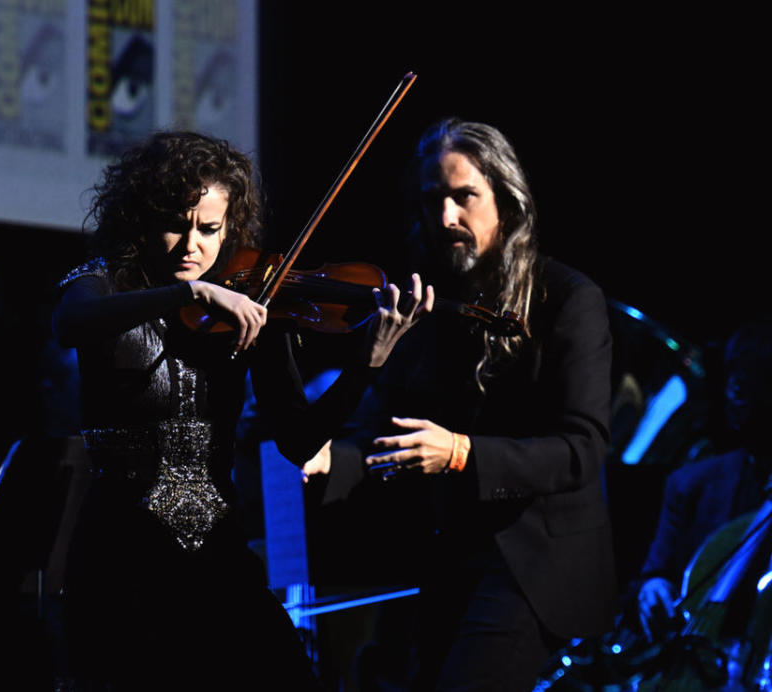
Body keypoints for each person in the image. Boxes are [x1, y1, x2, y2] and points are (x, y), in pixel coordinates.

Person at [53, 131, 430, 690]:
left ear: (230, 227)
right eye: (175, 224)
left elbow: (299, 441)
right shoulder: (102, 285)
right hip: (121, 549)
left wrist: (367, 364)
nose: (191, 246)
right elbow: (70, 325)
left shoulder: (255, 303)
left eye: (209, 229)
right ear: (139, 217)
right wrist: (190, 294)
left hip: (215, 553)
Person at [320, 118, 616, 690]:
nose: (448, 218)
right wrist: (333, 458)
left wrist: (459, 453)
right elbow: (384, 431)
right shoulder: (426, 304)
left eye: (464, 197)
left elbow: (581, 450)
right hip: (447, 560)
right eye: (434, 201)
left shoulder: (568, 300)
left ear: (505, 199)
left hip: (534, 566)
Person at [636, 322, 772, 642]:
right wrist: (653, 590)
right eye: (734, 382)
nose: (734, 395)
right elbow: (657, 573)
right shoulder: (690, 483)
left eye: (754, 385)